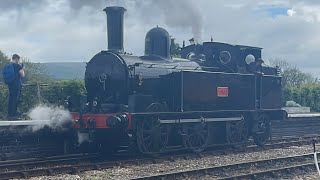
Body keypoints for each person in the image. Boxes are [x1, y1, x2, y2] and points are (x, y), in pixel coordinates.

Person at [6, 54, 25, 120]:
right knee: (15, 99)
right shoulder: (17, 66)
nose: (18, 61)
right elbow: (22, 75)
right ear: (16, 59)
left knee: (11, 99)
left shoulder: (8, 65)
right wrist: (22, 68)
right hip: (16, 85)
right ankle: (13, 116)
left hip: (10, 84)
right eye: (18, 59)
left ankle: (9, 115)